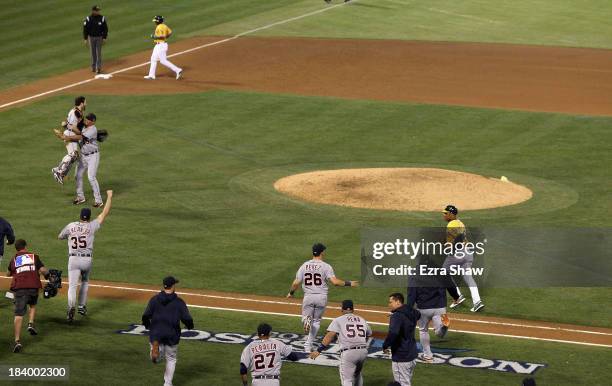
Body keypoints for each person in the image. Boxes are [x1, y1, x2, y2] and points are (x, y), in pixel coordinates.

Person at [286, 243, 358, 352]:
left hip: (308, 296)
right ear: (322, 252)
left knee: (306, 318)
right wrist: (349, 283)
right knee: (316, 321)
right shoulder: (326, 266)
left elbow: (296, 283)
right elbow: (335, 282)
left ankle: (306, 320)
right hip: (321, 297)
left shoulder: (304, 265)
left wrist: (291, 293)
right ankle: (307, 345)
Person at [58, 190, 112, 322]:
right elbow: (104, 213)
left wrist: (69, 237)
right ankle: (82, 306)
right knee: (85, 281)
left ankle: (71, 307)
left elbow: (59, 236)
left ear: (80, 216)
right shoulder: (92, 226)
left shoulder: (71, 226)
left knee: (72, 286)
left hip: (74, 259)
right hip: (87, 260)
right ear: (89, 217)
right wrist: (110, 196)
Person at [142, 276, 194, 386]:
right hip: (172, 334)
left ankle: (155, 352)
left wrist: (149, 327)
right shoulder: (179, 302)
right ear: (173, 286)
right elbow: (187, 319)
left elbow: (146, 316)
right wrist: (190, 326)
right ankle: (168, 383)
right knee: (171, 359)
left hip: (156, 333)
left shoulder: (154, 299)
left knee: (159, 354)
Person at [310, 300, 371, 386]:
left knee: (347, 379)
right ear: (352, 309)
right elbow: (368, 334)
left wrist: (319, 350)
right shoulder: (362, 319)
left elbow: (330, 335)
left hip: (349, 353)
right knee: (357, 374)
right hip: (363, 351)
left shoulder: (338, 320)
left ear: (342, 309)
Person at [7, 239, 49, 353]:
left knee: (19, 315)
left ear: (16, 248)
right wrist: (48, 275)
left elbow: (9, 273)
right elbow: (43, 270)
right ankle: (30, 324)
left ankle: (17, 341)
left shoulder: (14, 259)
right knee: (33, 304)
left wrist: (14, 272)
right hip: (33, 287)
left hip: (20, 289)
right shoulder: (33, 256)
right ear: (25, 246)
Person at [54, 112, 104, 206]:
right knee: (78, 175)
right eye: (86, 118)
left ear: (93, 121)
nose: (87, 120)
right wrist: (66, 129)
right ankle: (80, 197)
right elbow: (77, 135)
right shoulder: (84, 127)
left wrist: (66, 137)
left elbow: (81, 137)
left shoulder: (93, 129)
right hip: (84, 156)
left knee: (91, 177)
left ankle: (98, 201)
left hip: (93, 156)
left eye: (89, 119)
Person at [442, 205, 484, 312]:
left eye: (446, 213)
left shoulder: (452, 224)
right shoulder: (460, 222)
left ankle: (457, 297)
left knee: (444, 273)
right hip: (468, 253)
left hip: (459, 253)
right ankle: (477, 302)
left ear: (451, 214)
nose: (444, 215)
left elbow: (459, 238)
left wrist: (453, 249)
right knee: (468, 277)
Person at [382, 293, 420, 386]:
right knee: (407, 382)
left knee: (401, 384)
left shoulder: (397, 316)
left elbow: (393, 333)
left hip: (401, 356)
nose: (389, 304)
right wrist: (398, 312)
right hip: (412, 354)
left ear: (398, 302)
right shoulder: (410, 311)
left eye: (391, 302)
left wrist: (385, 345)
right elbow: (418, 314)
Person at [407, 283, 450, 363]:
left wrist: (408, 309)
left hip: (423, 308)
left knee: (423, 330)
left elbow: (411, 294)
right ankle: (443, 326)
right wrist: (456, 296)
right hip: (440, 307)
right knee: (439, 334)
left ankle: (428, 356)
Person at [52, 96, 86, 185]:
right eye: (85, 102)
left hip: (69, 133)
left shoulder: (74, 110)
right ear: (81, 103)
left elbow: (64, 122)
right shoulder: (76, 113)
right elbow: (72, 127)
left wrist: (66, 126)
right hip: (71, 134)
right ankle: (59, 172)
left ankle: (58, 170)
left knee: (74, 156)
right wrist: (80, 133)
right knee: (73, 155)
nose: (86, 104)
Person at [144, 16, 183, 80]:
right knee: (153, 59)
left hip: (160, 46)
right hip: (161, 45)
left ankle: (178, 70)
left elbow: (162, 36)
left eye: (155, 21)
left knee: (163, 61)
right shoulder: (164, 26)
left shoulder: (159, 27)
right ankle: (151, 75)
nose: (155, 22)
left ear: (158, 21)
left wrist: (154, 37)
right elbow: (170, 32)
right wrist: (165, 37)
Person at [83, 5, 108, 74]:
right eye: (97, 10)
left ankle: (98, 68)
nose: (98, 12)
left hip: (99, 38)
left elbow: (105, 29)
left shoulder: (102, 18)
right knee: (93, 53)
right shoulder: (88, 19)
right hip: (91, 38)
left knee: (98, 53)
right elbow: (85, 29)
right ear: (93, 11)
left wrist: (104, 37)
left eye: (99, 10)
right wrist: (85, 38)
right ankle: (93, 67)